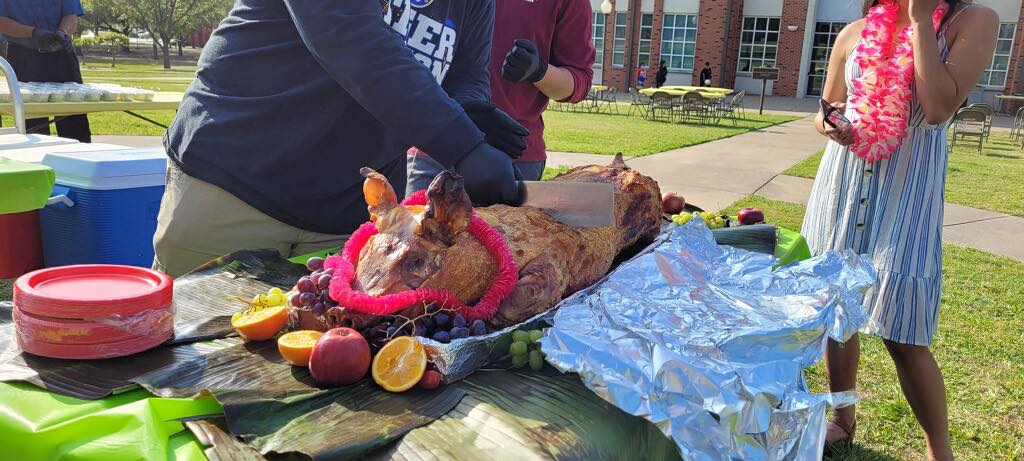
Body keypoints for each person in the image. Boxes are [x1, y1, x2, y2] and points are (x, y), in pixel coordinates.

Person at [152, 0, 526, 277]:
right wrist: (462, 142)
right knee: (192, 349)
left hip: (348, 211)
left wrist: (466, 109)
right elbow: (349, 36)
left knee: (327, 348)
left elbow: (466, 72)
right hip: (237, 184)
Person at [803, 1, 997, 459]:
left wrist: (920, 21)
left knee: (905, 333)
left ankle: (939, 453)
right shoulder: (854, 32)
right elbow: (826, 107)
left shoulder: (973, 21)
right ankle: (843, 418)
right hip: (844, 184)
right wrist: (830, 124)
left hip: (907, 192)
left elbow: (938, 107)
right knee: (838, 313)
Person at [405, 0, 595, 191]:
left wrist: (539, 71)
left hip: (511, 153)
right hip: (435, 144)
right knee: (416, 211)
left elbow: (579, 81)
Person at [0, 0, 91, 142]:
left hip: (62, 55)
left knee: (74, 121)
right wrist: (33, 33)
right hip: (24, 57)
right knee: (33, 128)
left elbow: (71, 16)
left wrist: (63, 33)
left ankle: (79, 154)